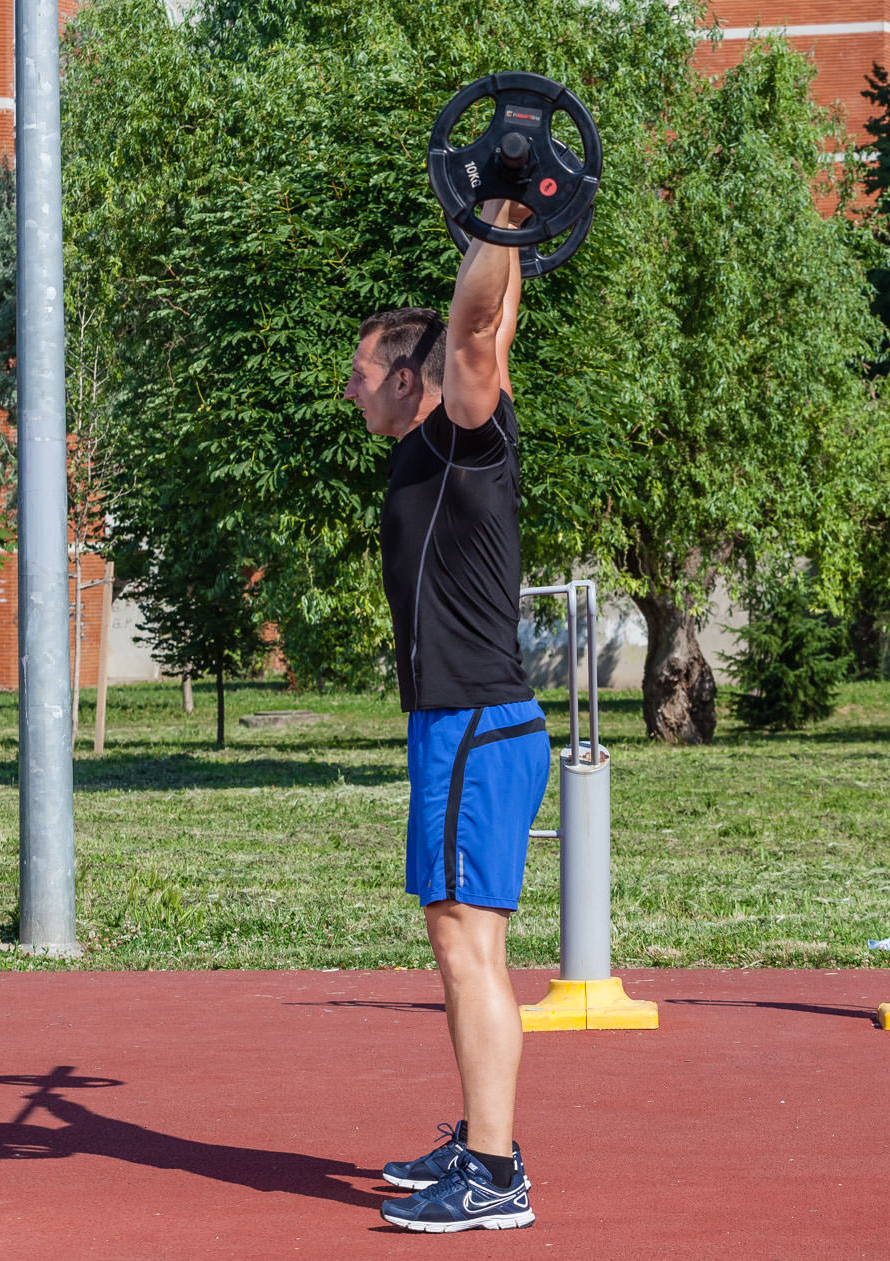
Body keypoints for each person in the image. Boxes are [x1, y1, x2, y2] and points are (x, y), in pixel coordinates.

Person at [343, 199, 550, 1234]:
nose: (348, 385)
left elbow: (476, 333)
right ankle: (481, 1136)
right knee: (464, 946)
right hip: (464, 729)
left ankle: (492, 1173)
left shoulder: (468, 431)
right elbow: (495, 317)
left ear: (408, 378)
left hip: (475, 725)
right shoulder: (432, 440)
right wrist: (499, 234)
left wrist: (506, 202)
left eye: (360, 368)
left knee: (467, 952)